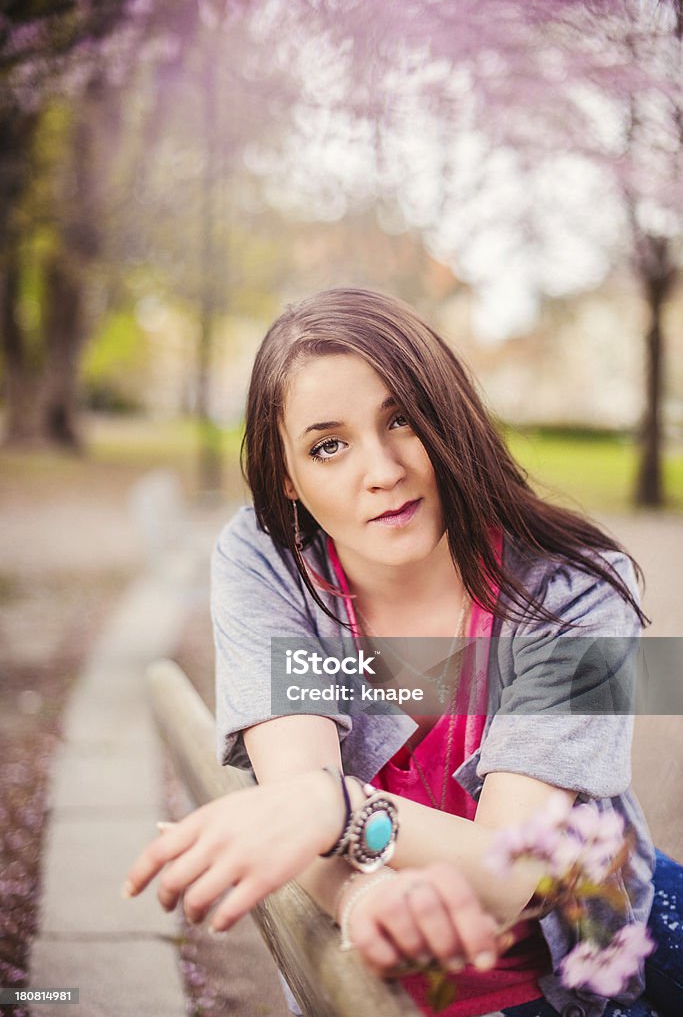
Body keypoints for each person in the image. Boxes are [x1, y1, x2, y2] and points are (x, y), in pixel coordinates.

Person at [124, 288, 676, 1017]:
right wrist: (363, 899)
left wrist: (339, 806)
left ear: (447, 418)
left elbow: (512, 872)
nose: (380, 470)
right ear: (287, 476)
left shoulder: (571, 594)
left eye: (402, 420)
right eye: (329, 445)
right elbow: (298, 804)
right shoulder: (272, 562)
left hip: (578, 961)